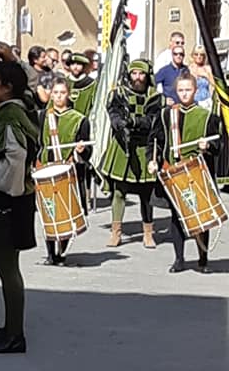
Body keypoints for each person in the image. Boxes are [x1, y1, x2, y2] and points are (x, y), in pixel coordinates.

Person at [0, 61, 39, 354]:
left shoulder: (10, 115)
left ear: (8, 87)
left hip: (9, 199)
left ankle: (15, 333)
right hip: (13, 197)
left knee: (8, 267)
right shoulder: (14, 110)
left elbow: (15, 157)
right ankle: (11, 328)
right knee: (6, 267)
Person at [149, 74, 221, 273]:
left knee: (201, 217)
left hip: (197, 172)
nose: (184, 93)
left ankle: (203, 259)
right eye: (181, 90)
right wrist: (152, 161)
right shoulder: (166, 115)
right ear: (176, 91)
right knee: (176, 217)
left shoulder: (207, 117)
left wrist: (208, 145)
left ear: (195, 91)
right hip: (174, 172)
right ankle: (179, 259)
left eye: (188, 90)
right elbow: (155, 142)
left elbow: (219, 145)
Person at [102, 60, 164, 249]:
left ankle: (148, 233)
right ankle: (116, 233)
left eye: (141, 73)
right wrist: (120, 124)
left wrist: (135, 123)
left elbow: (154, 120)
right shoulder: (118, 93)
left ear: (147, 75)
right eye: (134, 73)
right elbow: (113, 112)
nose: (137, 77)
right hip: (123, 147)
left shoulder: (155, 97)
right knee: (119, 191)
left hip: (144, 146)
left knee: (146, 194)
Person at [35, 78, 90, 264]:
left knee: (64, 212)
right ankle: (51, 253)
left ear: (68, 95)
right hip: (46, 167)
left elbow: (87, 150)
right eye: (56, 93)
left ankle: (62, 249)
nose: (58, 96)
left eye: (62, 93)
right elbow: (37, 143)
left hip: (67, 169)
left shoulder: (79, 119)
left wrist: (80, 151)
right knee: (49, 210)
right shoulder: (43, 116)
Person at [188, 45, 215, 109]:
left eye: (201, 54)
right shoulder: (188, 69)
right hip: (193, 101)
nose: (199, 56)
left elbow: (214, 84)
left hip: (206, 101)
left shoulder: (207, 68)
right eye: (196, 54)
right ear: (192, 55)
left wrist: (206, 75)